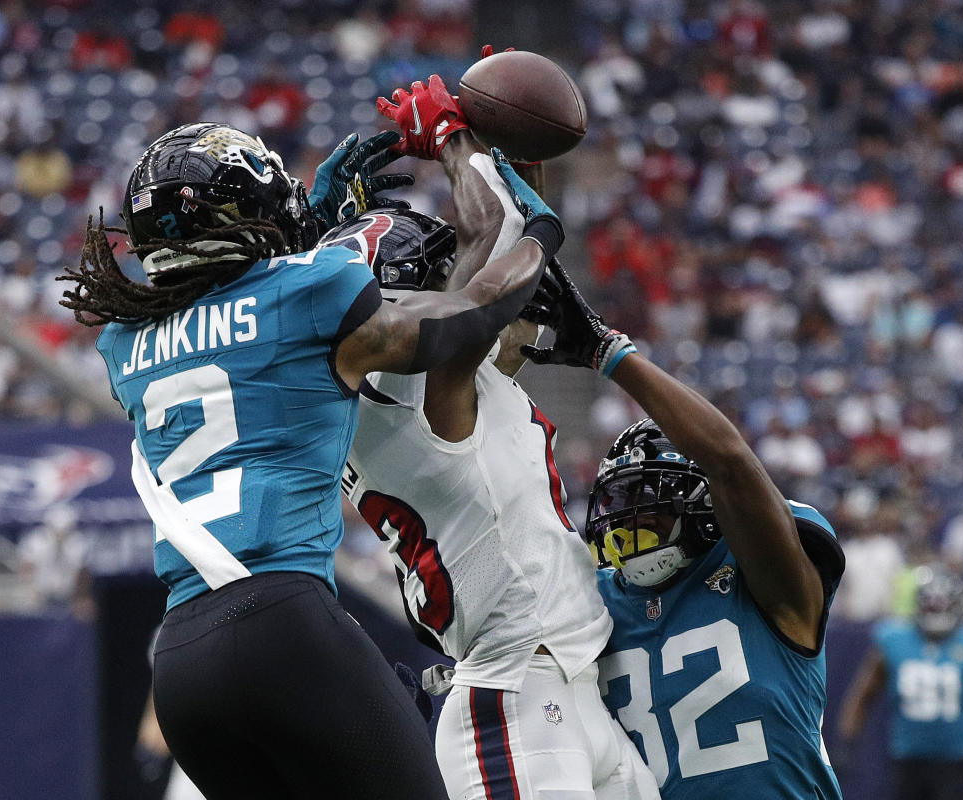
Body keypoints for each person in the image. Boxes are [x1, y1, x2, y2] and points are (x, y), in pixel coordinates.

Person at [58, 117, 563, 799]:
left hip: (180, 664)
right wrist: (535, 233)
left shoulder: (125, 341)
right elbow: (470, 311)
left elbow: (231, 320)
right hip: (282, 623)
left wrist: (303, 221)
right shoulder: (311, 290)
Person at [330, 73, 660, 800]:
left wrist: (512, 155)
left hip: (564, 685)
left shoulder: (401, 387)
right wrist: (453, 139)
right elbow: (504, 236)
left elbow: (507, 264)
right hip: (515, 694)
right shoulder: (422, 390)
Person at [523, 261, 846, 798]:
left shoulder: (764, 583)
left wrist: (610, 354)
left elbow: (730, 463)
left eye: (649, 507)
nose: (631, 525)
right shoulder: (593, 598)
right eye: (622, 506)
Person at [837, 565, 963, 800]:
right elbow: (861, 697)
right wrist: (847, 743)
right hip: (907, 762)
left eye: (942, 602)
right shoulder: (893, 640)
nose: (936, 607)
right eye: (931, 601)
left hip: (956, 763)